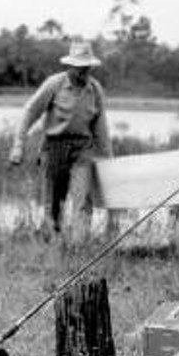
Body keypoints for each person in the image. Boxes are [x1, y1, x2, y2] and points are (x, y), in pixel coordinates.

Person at [8, 40, 113, 240]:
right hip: (54, 147)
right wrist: (18, 146)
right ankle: (54, 244)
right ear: (70, 66)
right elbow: (30, 112)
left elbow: (101, 127)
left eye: (87, 68)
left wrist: (109, 159)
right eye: (79, 68)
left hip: (83, 150)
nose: (83, 73)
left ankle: (78, 247)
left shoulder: (95, 89)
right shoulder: (54, 84)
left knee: (82, 201)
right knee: (54, 202)